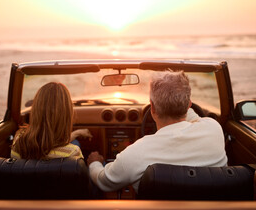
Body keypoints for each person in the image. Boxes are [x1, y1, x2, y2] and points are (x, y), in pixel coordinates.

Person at [87, 71, 228, 193]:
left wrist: (94, 163)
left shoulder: (134, 154)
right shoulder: (213, 129)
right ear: (189, 104)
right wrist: (180, 101)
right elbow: (193, 117)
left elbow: (103, 181)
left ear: (152, 108)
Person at [11, 82, 92, 160]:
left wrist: (76, 133)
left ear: (35, 110)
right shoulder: (72, 153)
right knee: (77, 143)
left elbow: (46, 144)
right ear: (66, 115)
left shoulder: (18, 141)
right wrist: (95, 163)